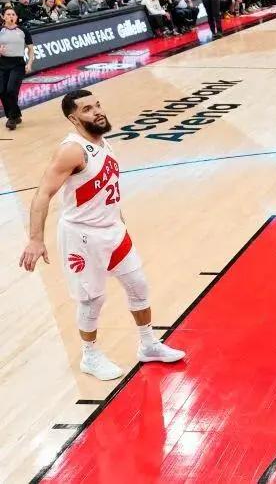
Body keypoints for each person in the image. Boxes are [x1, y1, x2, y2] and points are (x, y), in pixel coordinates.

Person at [18, 90, 186, 380]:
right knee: (92, 299)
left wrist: (118, 218)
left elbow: (106, 187)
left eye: (97, 105)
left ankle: (148, 345)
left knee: (138, 285)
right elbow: (43, 193)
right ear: (73, 119)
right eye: (87, 109)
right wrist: (35, 239)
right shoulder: (72, 150)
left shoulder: (103, 141)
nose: (97, 111)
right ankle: (90, 355)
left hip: (113, 230)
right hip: (82, 236)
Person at [0, 5, 35, 130]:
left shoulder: (23, 30)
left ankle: (11, 118)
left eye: (13, 14)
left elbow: (31, 49)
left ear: (16, 17)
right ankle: (15, 115)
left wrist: (29, 63)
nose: (11, 16)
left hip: (18, 64)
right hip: (2, 63)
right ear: (3, 17)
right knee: (1, 91)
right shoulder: (0, 31)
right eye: (8, 14)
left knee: (11, 90)